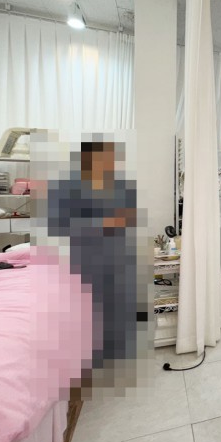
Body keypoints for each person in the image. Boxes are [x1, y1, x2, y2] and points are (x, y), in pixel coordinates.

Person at [46, 141, 139, 379]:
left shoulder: (121, 186)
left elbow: (131, 215)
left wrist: (124, 219)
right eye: (103, 158)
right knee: (91, 308)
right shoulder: (67, 187)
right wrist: (99, 224)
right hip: (86, 255)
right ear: (87, 160)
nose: (110, 164)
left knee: (120, 304)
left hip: (119, 254)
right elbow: (57, 224)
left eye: (111, 159)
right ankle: (92, 357)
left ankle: (120, 353)